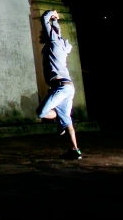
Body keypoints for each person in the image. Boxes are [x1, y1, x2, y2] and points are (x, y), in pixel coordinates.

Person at [37, 9, 82, 160]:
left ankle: (58, 118)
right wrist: (55, 21)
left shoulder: (54, 41)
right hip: (68, 87)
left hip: (61, 87)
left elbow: (44, 18)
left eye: (42, 32)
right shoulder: (58, 43)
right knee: (67, 121)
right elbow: (57, 30)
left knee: (41, 112)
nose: (40, 34)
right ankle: (74, 150)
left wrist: (52, 13)